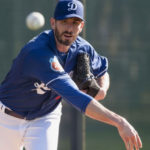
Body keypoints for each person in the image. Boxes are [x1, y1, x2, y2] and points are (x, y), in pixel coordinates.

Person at [0, 0, 142, 150]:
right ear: (53, 23)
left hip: (44, 118)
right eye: (64, 21)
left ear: (81, 26)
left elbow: (102, 71)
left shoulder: (82, 48)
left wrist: (102, 89)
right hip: (8, 118)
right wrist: (119, 121)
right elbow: (76, 97)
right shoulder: (38, 53)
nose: (69, 28)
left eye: (75, 22)